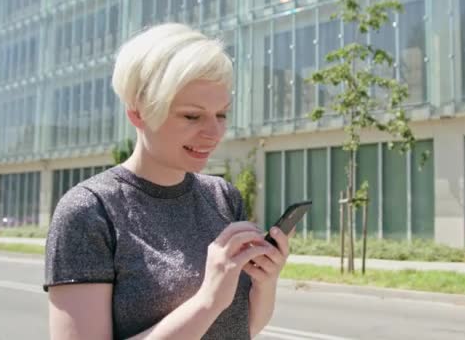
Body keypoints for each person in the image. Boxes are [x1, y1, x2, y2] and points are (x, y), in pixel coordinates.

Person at [44, 23, 290, 340]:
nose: (214, 132)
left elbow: (242, 329)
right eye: (192, 116)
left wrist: (266, 281)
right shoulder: (90, 211)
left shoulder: (222, 197)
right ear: (138, 112)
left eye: (222, 114)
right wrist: (208, 301)